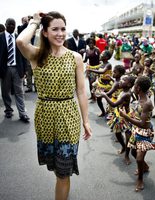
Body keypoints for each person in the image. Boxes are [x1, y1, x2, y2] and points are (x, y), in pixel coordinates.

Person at [16, 11, 91, 200]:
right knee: (55, 167)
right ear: (45, 32)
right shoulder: (36, 55)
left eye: (63, 29)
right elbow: (21, 42)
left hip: (68, 115)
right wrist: (35, 21)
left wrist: (86, 121)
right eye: (55, 29)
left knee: (63, 172)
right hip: (45, 117)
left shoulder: (75, 57)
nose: (60, 33)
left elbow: (81, 91)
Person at [119, 76, 155, 192]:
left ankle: (140, 180)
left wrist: (125, 116)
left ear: (138, 88)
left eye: (135, 85)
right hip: (136, 130)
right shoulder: (138, 97)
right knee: (133, 151)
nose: (133, 86)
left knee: (138, 158)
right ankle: (145, 167)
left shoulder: (147, 103)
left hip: (145, 133)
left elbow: (143, 124)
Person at [99, 75, 136, 165]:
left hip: (127, 116)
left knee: (128, 136)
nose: (121, 81)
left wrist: (104, 95)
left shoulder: (127, 93)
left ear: (129, 84)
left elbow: (113, 104)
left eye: (124, 80)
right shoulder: (124, 91)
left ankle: (127, 155)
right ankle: (123, 146)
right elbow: (134, 99)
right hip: (118, 114)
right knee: (117, 132)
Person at [0, 18, 30, 122]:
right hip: (5, 69)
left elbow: (23, 55)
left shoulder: (19, 39)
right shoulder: (0, 37)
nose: (11, 26)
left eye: (13, 25)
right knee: (5, 92)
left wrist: (25, 70)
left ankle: (23, 114)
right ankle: (8, 110)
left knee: (19, 92)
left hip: (18, 69)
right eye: (9, 24)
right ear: (6, 25)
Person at [86, 50, 113, 117]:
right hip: (100, 84)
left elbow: (102, 72)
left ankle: (110, 112)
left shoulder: (108, 65)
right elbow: (96, 67)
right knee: (98, 99)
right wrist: (90, 67)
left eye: (102, 54)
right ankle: (103, 112)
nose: (100, 55)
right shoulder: (102, 63)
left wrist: (90, 70)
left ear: (107, 57)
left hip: (107, 85)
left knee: (109, 100)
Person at [84, 37, 101, 102]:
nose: (91, 44)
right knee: (90, 83)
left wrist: (100, 69)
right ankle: (92, 96)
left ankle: (95, 96)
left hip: (96, 68)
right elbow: (85, 60)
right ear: (87, 44)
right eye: (89, 43)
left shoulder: (97, 50)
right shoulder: (87, 50)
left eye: (92, 43)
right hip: (90, 68)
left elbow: (100, 59)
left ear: (94, 43)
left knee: (93, 82)